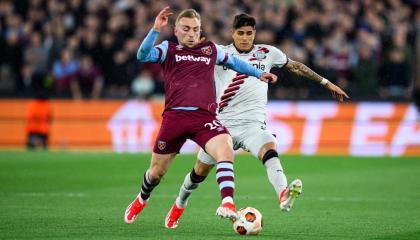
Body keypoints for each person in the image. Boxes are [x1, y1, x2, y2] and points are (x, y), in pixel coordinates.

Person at [165, 13, 349, 229]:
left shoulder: (268, 53)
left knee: (270, 150)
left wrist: (327, 83)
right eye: (240, 33)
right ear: (232, 33)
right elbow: (188, 55)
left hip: (253, 126)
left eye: (249, 33)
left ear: (254, 34)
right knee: (198, 174)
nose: (245, 38)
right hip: (220, 126)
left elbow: (296, 67)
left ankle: (283, 194)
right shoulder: (219, 52)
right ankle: (179, 205)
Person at [124, 7, 278, 225]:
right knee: (156, 173)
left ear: (200, 30)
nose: (191, 34)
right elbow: (142, 55)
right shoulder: (169, 49)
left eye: (195, 29)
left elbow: (235, 63)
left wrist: (259, 73)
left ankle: (227, 203)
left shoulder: (210, 50)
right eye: (186, 29)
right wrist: (155, 30)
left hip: (204, 118)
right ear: (176, 30)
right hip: (174, 119)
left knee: (225, 146)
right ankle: (142, 198)